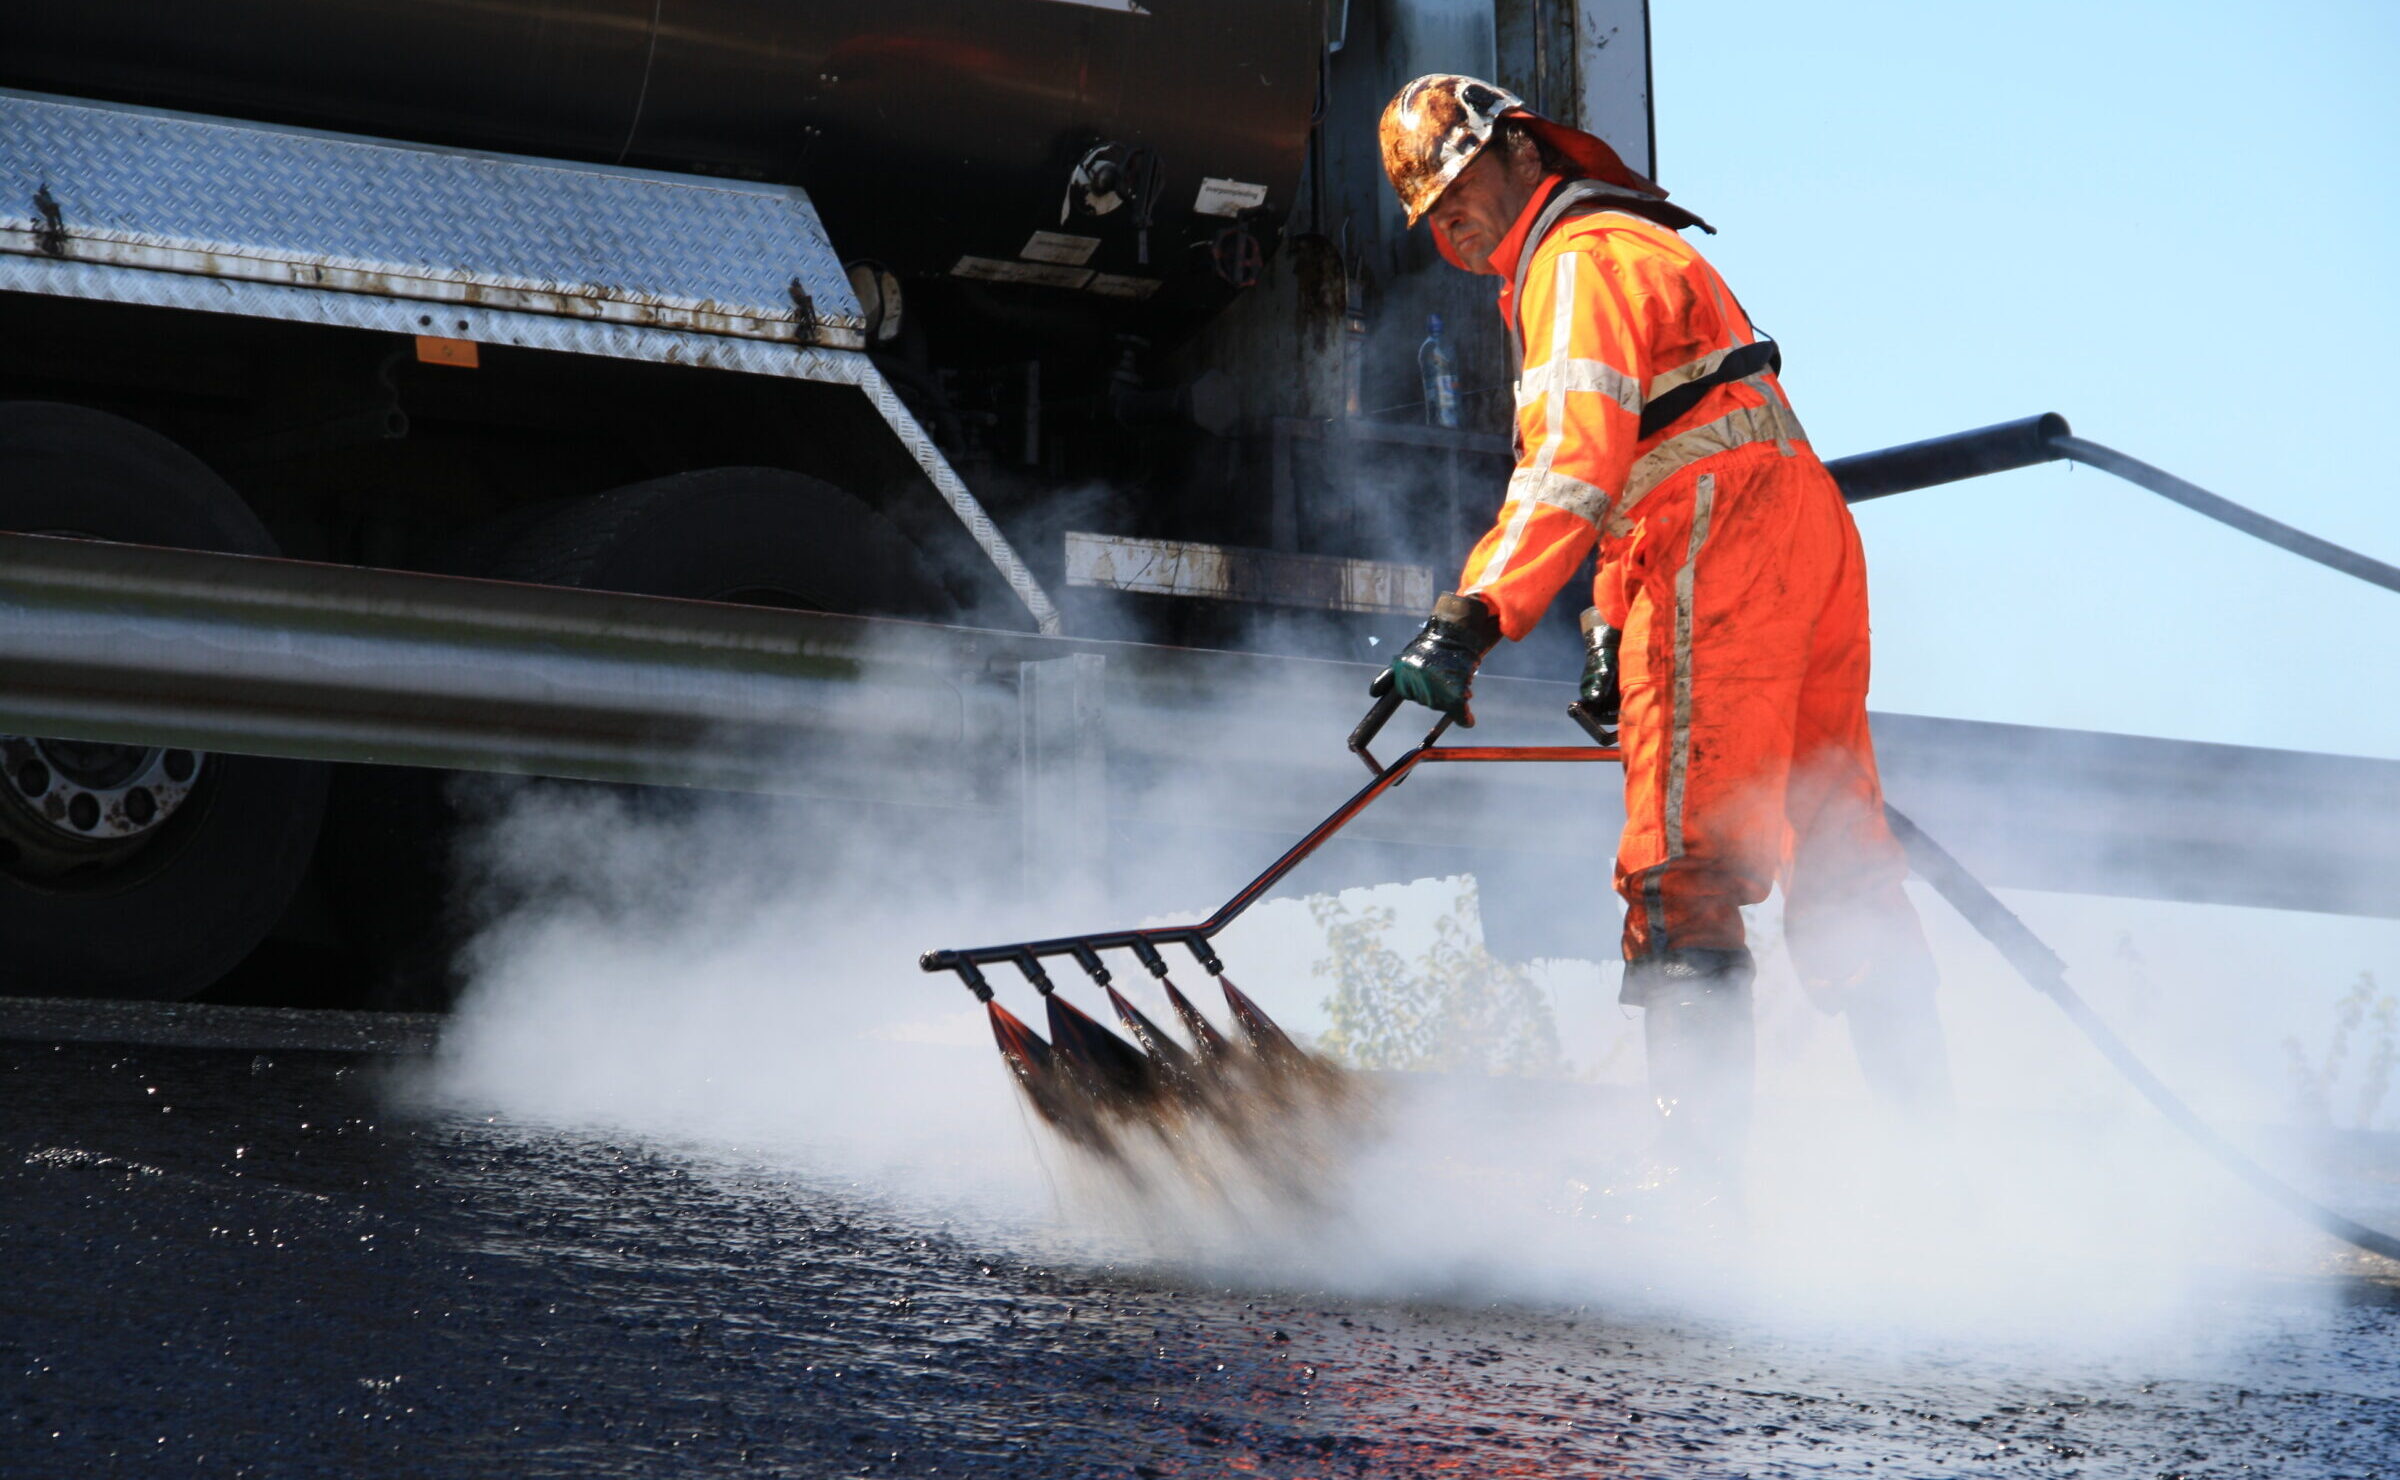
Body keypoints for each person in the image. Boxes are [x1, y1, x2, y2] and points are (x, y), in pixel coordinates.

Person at [1371, 74, 1953, 1173]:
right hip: (1794, 525)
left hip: (1721, 538)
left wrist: (1469, 619)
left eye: (1462, 194)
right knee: (1839, 849)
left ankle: (1701, 1200)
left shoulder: (1575, 262)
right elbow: (1675, 439)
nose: (1455, 227)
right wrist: (1608, 616)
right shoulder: (1634, 248)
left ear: (1523, 156)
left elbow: (1573, 464)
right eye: (1436, 218)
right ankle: (1942, 1171)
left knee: (1679, 860)